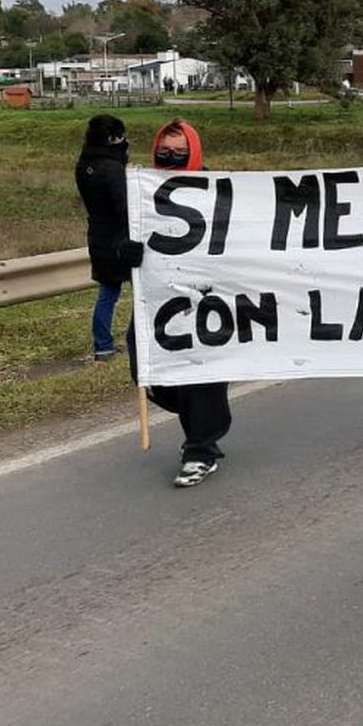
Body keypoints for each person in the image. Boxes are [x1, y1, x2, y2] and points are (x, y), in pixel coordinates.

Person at [126, 119, 233, 487]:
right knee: (149, 366)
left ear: (195, 153)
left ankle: (200, 449)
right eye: (164, 150)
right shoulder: (140, 193)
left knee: (201, 376)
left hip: (205, 299)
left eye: (179, 151)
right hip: (157, 300)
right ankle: (200, 425)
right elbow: (118, 244)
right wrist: (122, 252)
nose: (169, 156)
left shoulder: (218, 191)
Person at [75, 114, 137, 362]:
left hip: (97, 235)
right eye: (121, 136)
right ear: (112, 138)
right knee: (142, 291)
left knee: (107, 294)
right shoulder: (112, 169)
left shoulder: (83, 165)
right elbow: (124, 208)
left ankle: (103, 346)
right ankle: (137, 339)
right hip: (120, 239)